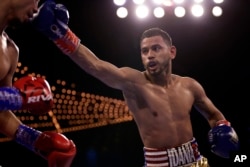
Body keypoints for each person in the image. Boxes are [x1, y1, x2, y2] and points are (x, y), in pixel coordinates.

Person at [32, 1, 240, 166]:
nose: (150, 55)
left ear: (172, 52)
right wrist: (61, 34)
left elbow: (214, 115)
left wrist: (223, 128)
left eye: (156, 48)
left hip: (195, 162)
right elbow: (95, 66)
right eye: (144, 51)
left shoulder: (190, 86)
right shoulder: (133, 83)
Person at [0, 0, 76, 166]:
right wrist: (16, 98)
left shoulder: (10, 51)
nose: (36, 8)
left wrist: (38, 141)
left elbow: (1, 115)